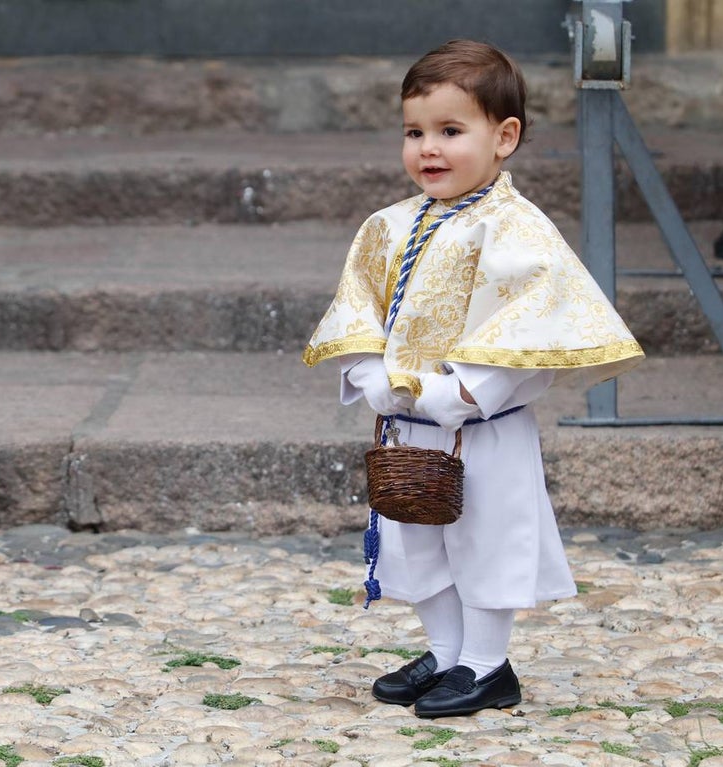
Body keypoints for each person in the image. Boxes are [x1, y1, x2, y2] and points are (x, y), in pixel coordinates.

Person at [303, 40, 643, 719]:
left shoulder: (516, 232)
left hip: (479, 425)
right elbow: (359, 309)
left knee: (486, 543)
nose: (428, 148)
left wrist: (458, 391)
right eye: (415, 132)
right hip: (404, 426)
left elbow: (530, 321)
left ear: (504, 136)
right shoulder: (386, 227)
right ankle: (448, 648)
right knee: (414, 540)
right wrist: (372, 375)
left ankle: (488, 663)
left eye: (451, 131)